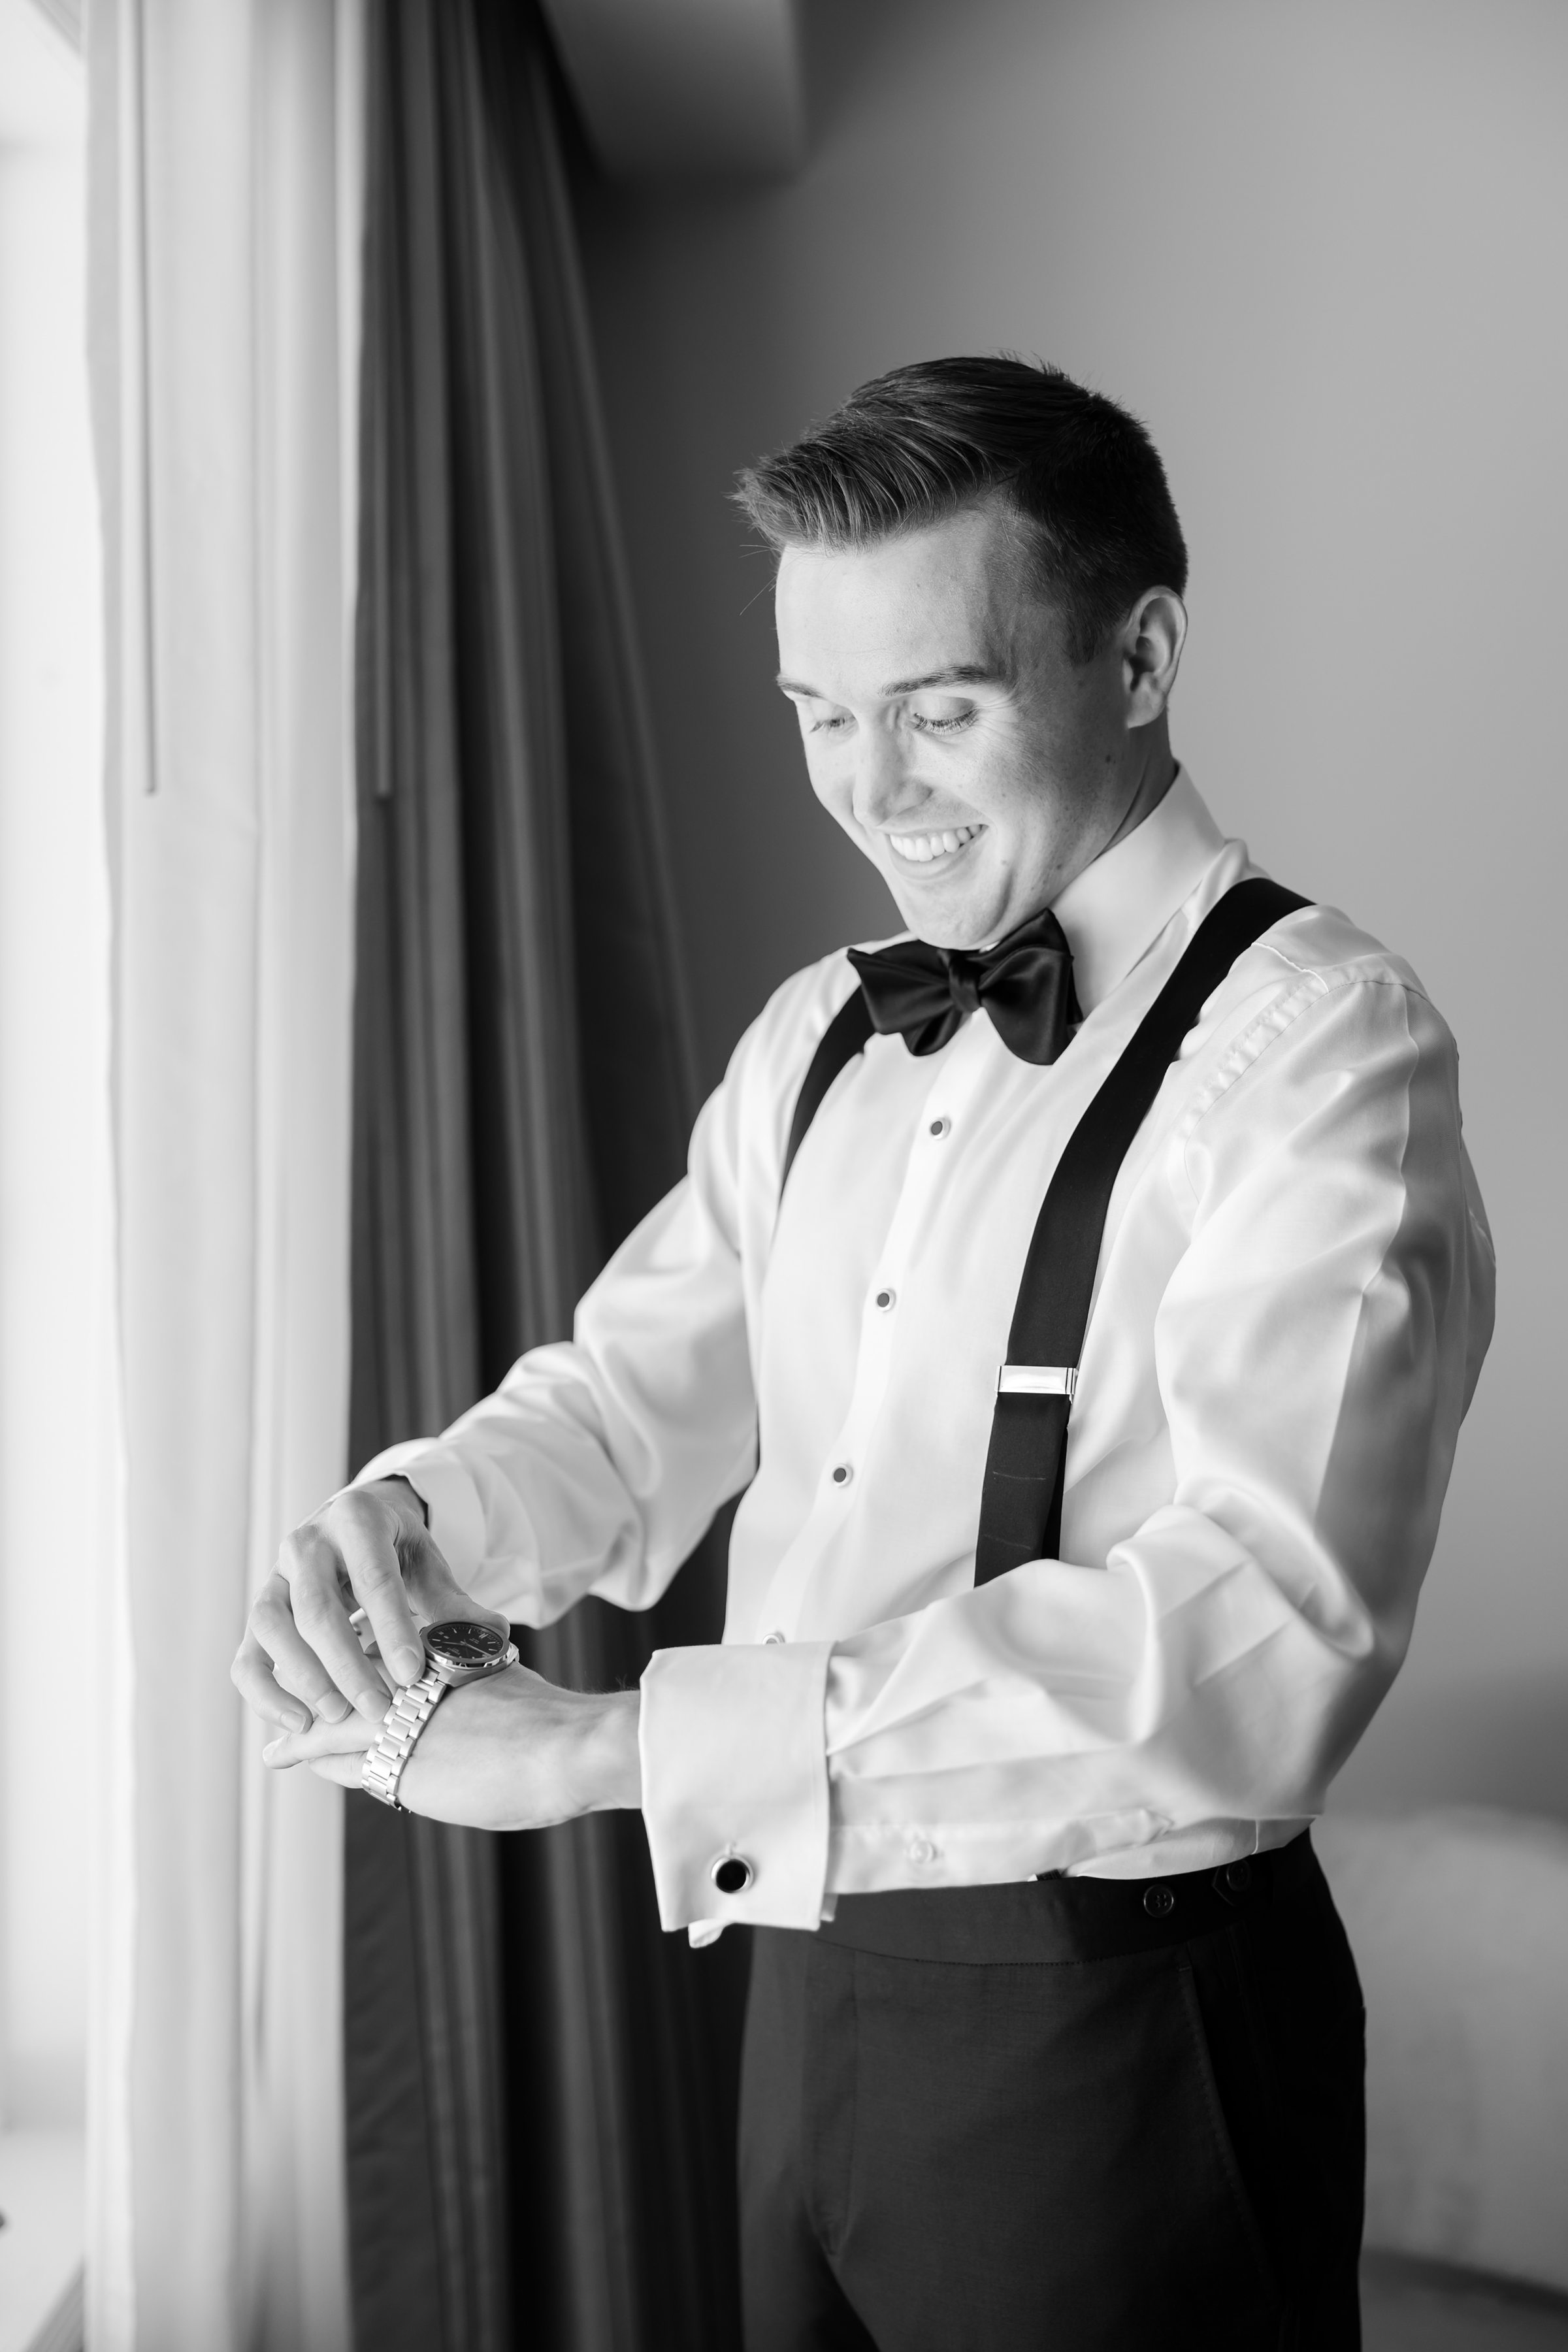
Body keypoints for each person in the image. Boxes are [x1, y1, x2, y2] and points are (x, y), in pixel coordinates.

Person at [234, 356, 1494, 2349]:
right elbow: (633, 1392)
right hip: (804, 1980)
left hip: (1120, 2024)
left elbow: (1258, 1640)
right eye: (822, 715)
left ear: (1142, 656)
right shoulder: (820, 1027)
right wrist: (411, 1529)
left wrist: (601, 1751)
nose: (869, 790)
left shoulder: (1325, 1046)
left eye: (939, 709)